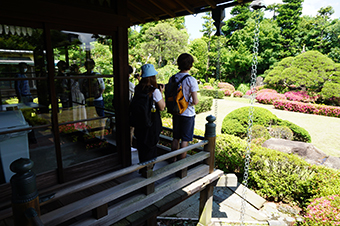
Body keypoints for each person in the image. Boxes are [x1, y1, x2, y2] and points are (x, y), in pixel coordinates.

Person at [133, 64, 165, 169]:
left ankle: (142, 168)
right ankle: (148, 172)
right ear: (153, 77)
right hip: (151, 124)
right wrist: (161, 93)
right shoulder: (154, 91)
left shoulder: (137, 88)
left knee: (141, 147)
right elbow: (162, 107)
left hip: (139, 123)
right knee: (151, 148)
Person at [170, 53, 199, 161]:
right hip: (187, 114)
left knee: (175, 138)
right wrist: (189, 102)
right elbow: (195, 101)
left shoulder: (172, 78)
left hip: (175, 111)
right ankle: (181, 166)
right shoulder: (191, 80)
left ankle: (172, 161)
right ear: (190, 65)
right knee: (185, 140)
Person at [82, 59, 106, 139]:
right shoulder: (97, 75)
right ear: (94, 66)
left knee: (89, 117)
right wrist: (98, 95)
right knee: (101, 118)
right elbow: (102, 88)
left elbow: (81, 89)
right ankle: (102, 136)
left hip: (88, 100)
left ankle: (91, 135)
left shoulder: (82, 77)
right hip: (98, 100)